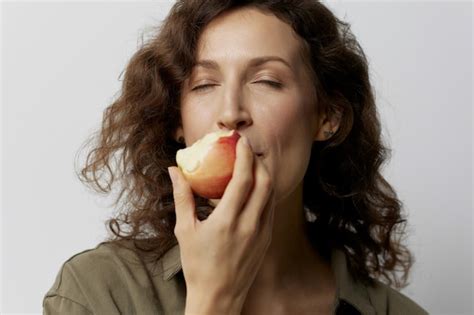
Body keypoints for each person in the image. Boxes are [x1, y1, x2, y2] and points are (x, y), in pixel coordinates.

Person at [43, 1, 429, 314]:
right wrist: (214, 301)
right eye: (204, 85)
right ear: (178, 122)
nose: (230, 112)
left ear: (326, 117)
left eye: (266, 81)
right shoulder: (98, 292)